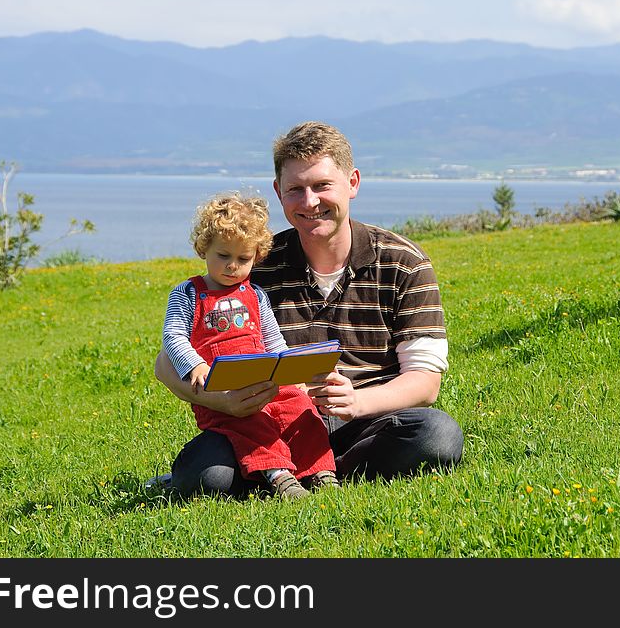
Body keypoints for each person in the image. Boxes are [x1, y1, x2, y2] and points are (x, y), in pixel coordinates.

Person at [151, 121, 463, 498]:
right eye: (296, 189)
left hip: (365, 422)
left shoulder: (403, 262)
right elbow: (165, 363)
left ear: (353, 183)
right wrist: (221, 402)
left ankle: (297, 473)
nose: (310, 201)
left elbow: (425, 384)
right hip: (267, 421)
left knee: (437, 435)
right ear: (278, 192)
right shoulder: (250, 264)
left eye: (322, 185)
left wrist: (357, 402)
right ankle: (290, 469)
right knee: (205, 476)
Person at [160, 191, 337, 500]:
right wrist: (195, 365)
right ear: (204, 249)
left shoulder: (255, 295)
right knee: (252, 422)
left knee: (301, 409)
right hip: (223, 389)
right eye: (223, 256)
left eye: (243, 259)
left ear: (256, 256)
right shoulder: (188, 294)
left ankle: (320, 469)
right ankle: (277, 474)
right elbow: (173, 337)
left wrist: (291, 370)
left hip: (266, 378)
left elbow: (273, 339)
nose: (232, 266)